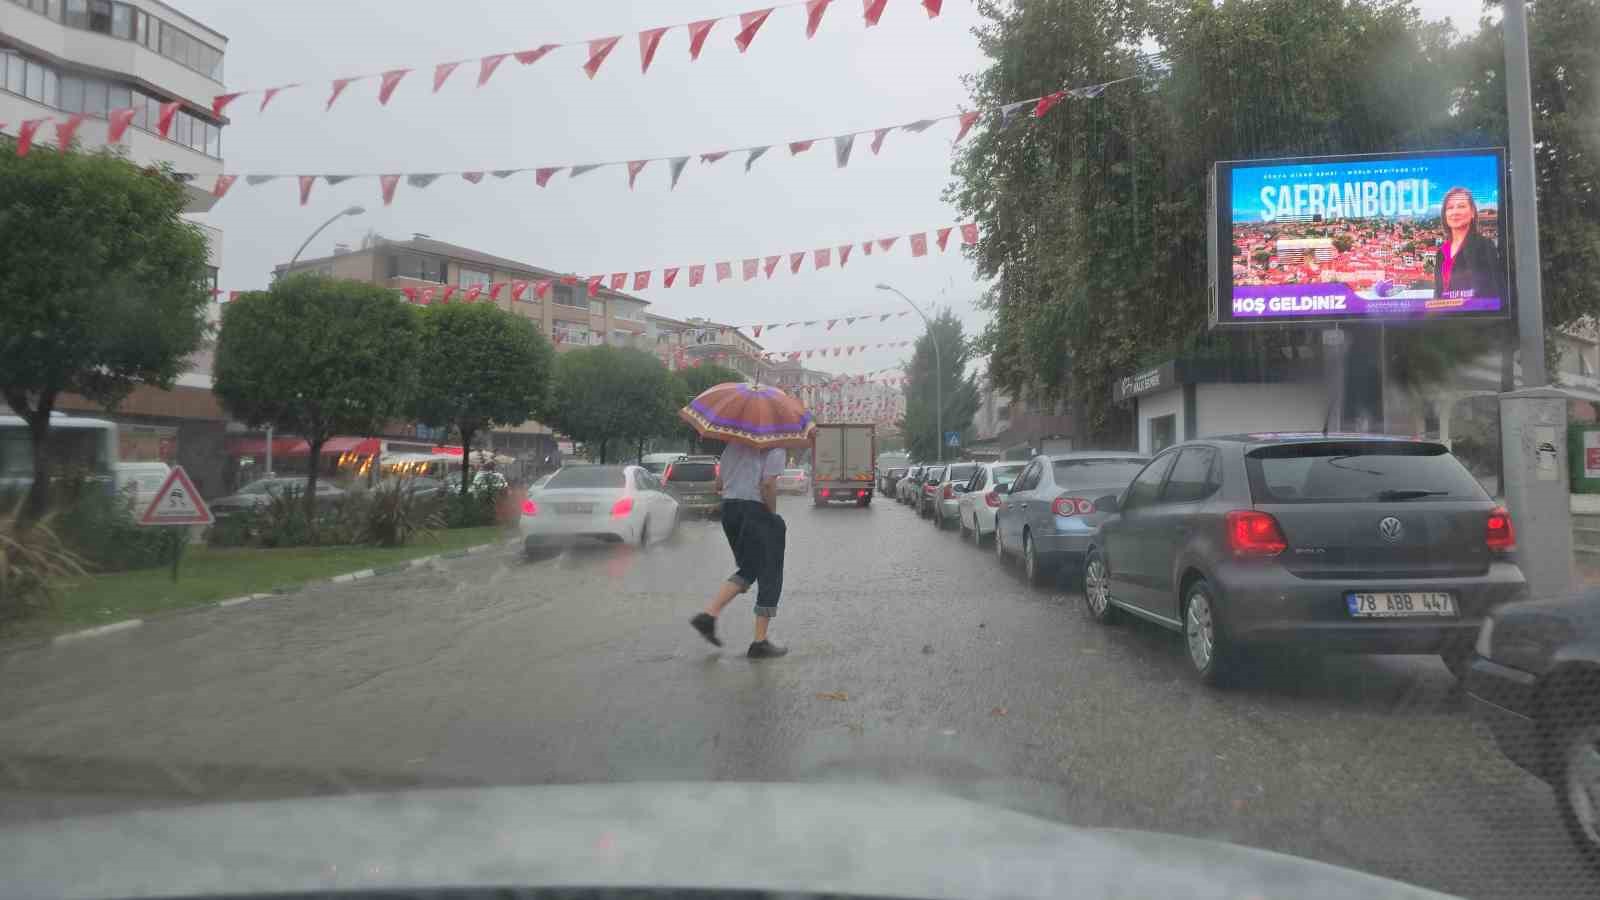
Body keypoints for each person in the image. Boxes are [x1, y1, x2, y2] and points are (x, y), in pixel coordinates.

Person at [689, 441, 789, 659]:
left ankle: (708, 615)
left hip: (730, 510)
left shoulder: (732, 446)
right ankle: (759, 642)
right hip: (755, 510)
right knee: (770, 571)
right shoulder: (776, 447)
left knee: (749, 566)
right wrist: (771, 515)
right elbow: (768, 485)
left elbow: (718, 484)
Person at [1433, 186, 1505, 302]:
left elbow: (1493, 292)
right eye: (1450, 208)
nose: (1455, 212)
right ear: (1445, 215)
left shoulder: (1485, 245)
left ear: (1472, 213)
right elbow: (1438, 293)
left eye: (1461, 206)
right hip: (1444, 317)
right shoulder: (1441, 252)